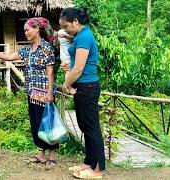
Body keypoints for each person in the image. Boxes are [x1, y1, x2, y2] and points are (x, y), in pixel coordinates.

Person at [0, 17, 58, 167]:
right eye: (24, 30)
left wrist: (50, 92)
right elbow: (9, 57)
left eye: (27, 29)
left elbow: (50, 72)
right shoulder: (26, 50)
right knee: (36, 123)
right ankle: (41, 154)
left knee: (47, 123)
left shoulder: (46, 48)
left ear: (37, 29)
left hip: (44, 92)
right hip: (31, 92)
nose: (25, 32)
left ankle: (53, 156)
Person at [60, 8, 105, 179]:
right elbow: (75, 64)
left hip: (88, 86)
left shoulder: (85, 36)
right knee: (85, 126)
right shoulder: (79, 35)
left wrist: (66, 84)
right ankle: (89, 163)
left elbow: (79, 68)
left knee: (92, 127)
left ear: (76, 22)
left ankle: (98, 169)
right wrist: (67, 37)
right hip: (83, 86)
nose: (65, 30)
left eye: (66, 26)